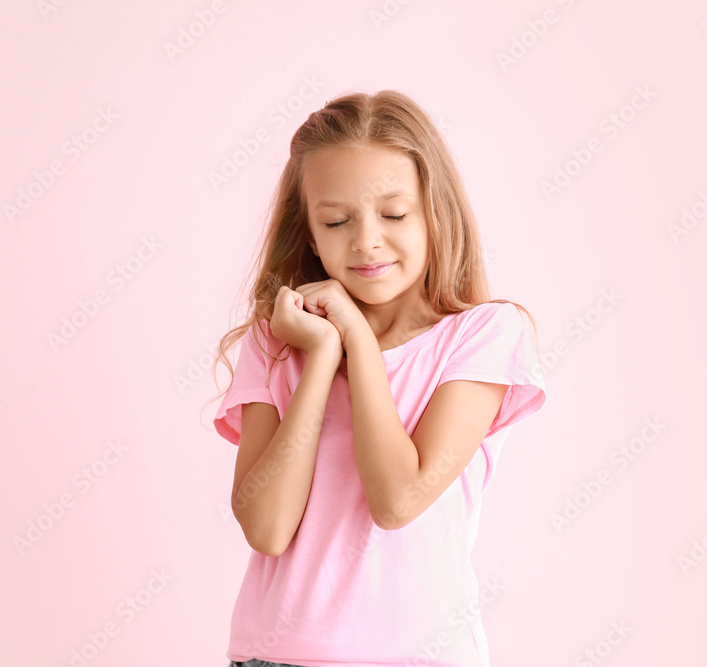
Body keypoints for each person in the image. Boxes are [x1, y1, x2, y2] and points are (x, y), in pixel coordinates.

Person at [209, 90, 548, 667]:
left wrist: (358, 341)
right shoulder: (277, 342)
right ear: (310, 233)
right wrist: (320, 357)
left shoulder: (484, 335)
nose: (366, 241)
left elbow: (398, 499)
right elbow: (266, 528)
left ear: (434, 214)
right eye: (336, 221)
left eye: (393, 215)